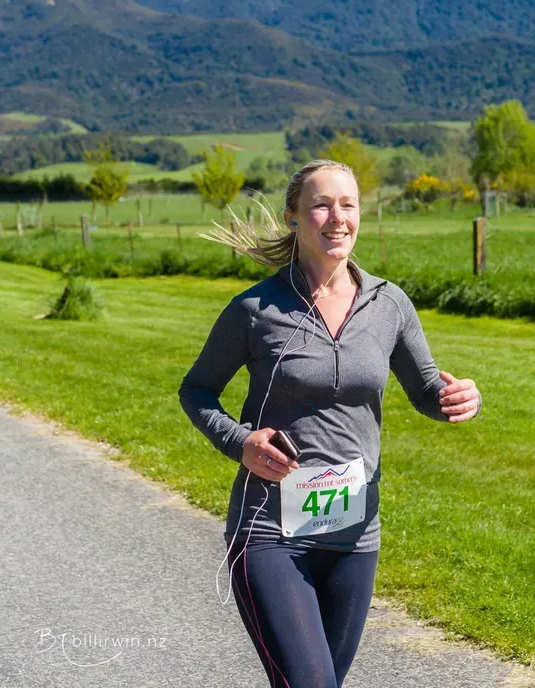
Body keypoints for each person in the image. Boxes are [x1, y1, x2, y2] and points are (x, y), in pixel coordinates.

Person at [178, 159, 482, 688]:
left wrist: (457, 398)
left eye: (349, 204)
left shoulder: (389, 304)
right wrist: (240, 441)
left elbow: (426, 390)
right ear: (294, 218)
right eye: (321, 204)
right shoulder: (256, 309)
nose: (337, 217)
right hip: (269, 529)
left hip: (353, 534)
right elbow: (196, 390)